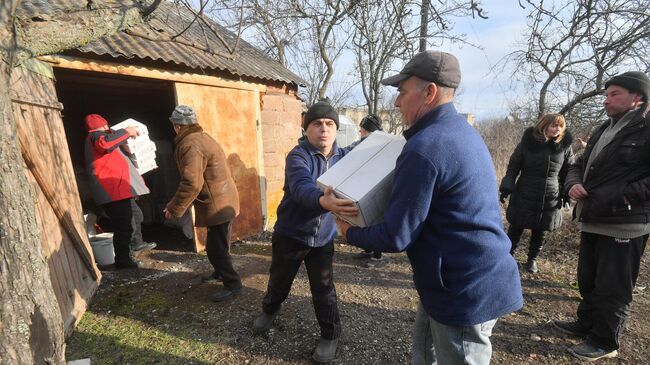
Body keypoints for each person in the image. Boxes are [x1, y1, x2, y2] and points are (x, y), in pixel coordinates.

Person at [336, 50, 523, 365]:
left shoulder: (425, 147)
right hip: (452, 278)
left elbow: (396, 236)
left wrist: (349, 231)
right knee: (425, 354)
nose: (396, 102)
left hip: (464, 289)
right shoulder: (459, 132)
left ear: (429, 93)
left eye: (402, 92)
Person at [554, 71, 650, 361]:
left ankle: (605, 341)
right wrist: (572, 184)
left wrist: (622, 195)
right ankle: (586, 324)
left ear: (638, 98)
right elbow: (577, 164)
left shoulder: (647, 129)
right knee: (588, 278)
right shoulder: (603, 129)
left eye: (615, 94)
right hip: (594, 217)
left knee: (613, 286)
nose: (607, 100)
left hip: (625, 222)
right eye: (606, 95)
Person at [252, 101, 358, 363]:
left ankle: (331, 334)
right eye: (317, 123)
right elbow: (300, 186)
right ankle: (270, 309)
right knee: (279, 280)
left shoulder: (344, 158)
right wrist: (324, 201)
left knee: (324, 289)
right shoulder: (298, 156)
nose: (324, 129)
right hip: (291, 234)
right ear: (307, 128)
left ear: (336, 129)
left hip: (323, 239)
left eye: (329, 124)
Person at [164, 105, 242, 302]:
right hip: (223, 199)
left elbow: (192, 182)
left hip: (217, 202)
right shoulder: (203, 137)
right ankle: (219, 273)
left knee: (216, 248)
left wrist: (174, 207)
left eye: (174, 124)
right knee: (220, 243)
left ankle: (233, 284)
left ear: (177, 126)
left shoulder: (189, 143)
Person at [499, 113, 575, 273]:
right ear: (544, 125)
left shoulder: (565, 147)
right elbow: (513, 166)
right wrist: (506, 187)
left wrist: (566, 194)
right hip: (525, 189)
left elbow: (569, 171)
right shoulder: (527, 143)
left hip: (550, 193)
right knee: (516, 226)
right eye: (554, 125)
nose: (557, 129)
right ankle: (508, 256)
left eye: (561, 126)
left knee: (541, 229)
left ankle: (532, 259)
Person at [84, 114, 149, 269]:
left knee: (135, 217)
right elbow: (105, 144)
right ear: (104, 126)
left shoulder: (104, 140)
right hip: (112, 191)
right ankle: (123, 260)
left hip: (120, 190)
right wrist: (126, 131)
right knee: (124, 226)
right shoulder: (96, 136)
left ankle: (135, 247)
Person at [348, 114, 385, 264]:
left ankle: (378, 255)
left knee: (376, 220)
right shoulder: (366, 142)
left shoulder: (379, 143)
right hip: (364, 185)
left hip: (377, 188)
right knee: (366, 220)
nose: (360, 133)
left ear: (368, 130)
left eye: (362, 130)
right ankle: (368, 249)